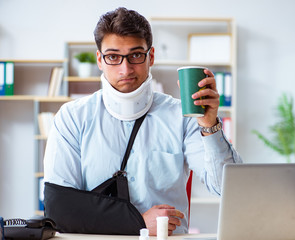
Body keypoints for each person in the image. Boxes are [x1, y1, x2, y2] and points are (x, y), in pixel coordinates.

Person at [43, 7, 241, 236]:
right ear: (99, 59)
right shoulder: (72, 118)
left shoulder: (183, 117)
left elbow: (227, 190)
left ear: (151, 56)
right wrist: (138, 222)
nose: (125, 69)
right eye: (113, 57)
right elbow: (60, 209)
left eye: (136, 55)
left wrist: (210, 125)